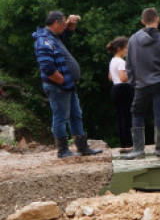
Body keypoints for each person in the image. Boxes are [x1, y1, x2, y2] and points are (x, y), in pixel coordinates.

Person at [32, 11, 103, 159]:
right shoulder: (43, 40)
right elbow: (47, 67)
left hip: (67, 85)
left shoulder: (53, 37)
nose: (65, 27)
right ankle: (63, 151)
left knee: (76, 115)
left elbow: (66, 34)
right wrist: (62, 81)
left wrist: (71, 23)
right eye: (63, 23)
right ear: (56, 23)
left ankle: (83, 147)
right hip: (58, 86)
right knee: (60, 117)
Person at [123, 7, 160, 159]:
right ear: (158, 19)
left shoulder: (133, 40)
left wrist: (134, 83)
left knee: (137, 113)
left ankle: (139, 150)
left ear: (142, 21)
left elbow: (129, 65)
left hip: (141, 84)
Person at [106, 36, 134, 153]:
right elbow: (123, 78)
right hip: (123, 89)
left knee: (120, 117)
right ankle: (129, 144)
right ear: (119, 49)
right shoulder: (122, 62)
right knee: (127, 117)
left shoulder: (112, 61)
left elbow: (110, 77)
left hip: (115, 89)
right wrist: (133, 75)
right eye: (126, 48)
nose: (127, 51)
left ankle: (123, 144)